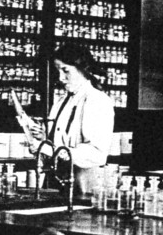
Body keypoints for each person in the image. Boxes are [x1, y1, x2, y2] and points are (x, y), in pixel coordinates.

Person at [27, 43, 115, 196]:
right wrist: (44, 139)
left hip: (84, 187)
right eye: (58, 71)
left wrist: (55, 151)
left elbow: (96, 154)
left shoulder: (97, 101)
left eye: (66, 71)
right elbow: (59, 144)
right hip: (56, 185)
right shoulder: (61, 102)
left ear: (83, 69)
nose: (61, 78)